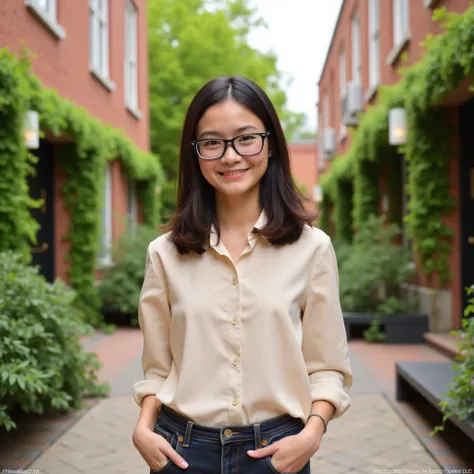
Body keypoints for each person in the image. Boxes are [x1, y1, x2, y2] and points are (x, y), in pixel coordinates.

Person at [132, 76, 353, 474]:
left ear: (270, 144)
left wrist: (312, 434)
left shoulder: (312, 248)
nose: (230, 156)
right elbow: (158, 369)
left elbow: (327, 365)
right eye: (212, 142)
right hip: (180, 451)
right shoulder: (164, 254)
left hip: (279, 451)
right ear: (195, 154)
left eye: (246, 138)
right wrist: (143, 428)